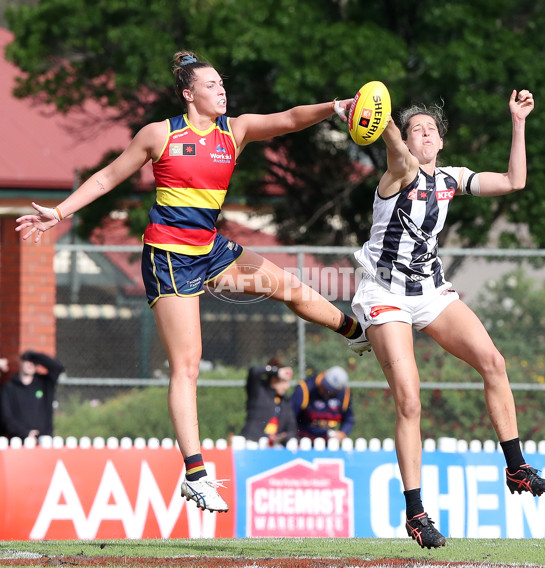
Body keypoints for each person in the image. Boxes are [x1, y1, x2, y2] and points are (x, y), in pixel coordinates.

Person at [15, 50, 369, 514]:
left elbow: (286, 119)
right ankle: (196, 475)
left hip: (211, 250)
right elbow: (106, 178)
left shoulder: (234, 131)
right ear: (189, 94)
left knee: (291, 286)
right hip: (169, 258)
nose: (222, 90)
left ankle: (357, 333)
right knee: (188, 366)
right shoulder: (160, 134)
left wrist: (335, 108)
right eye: (212, 85)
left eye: (222, 84)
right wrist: (59, 212)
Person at [351, 90, 545, 549]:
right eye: (415, 129)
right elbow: (397, 151)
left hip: (429, 291)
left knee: (493, 362)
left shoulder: (450, 177)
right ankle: (416, 513)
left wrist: (518, 122)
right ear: (405, 139)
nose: (424, 133)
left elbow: (513, 181)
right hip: (385, 294)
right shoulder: (398, 172)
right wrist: (381, 118)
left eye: (431, 129)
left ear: (441, 142)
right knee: (410, 401)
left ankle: (517, 467)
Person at [0, 350, 65, 441]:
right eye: (27, 361)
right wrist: (25, 433)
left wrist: (35, 355)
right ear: (20, 362)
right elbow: (6, 417)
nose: (30, 364)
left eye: (34, 362)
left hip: (44, 440)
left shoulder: (44, 383)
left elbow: (58, 367)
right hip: (18, 441)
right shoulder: (9, 388)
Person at [240, 357, 297, 445]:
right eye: (284, 382)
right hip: (253, 442)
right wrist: (277, 371)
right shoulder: (259, 391)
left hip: (273, 447)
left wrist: (283, 437)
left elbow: (292, 429)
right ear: (274, 380)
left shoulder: (285, 402)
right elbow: (254, 371)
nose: (287, 387)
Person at [291, 365, 354, 441]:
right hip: (303, 440)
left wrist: (342, 433)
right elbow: (290, 417)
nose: (324, 389)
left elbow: (348, 418)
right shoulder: (305, 389)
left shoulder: (344, 394)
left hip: (328, 443)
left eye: (329, 389)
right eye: (324, 385)